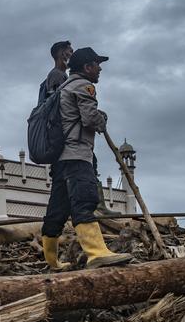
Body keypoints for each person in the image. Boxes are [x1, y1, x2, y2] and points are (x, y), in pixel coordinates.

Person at [41, 47, 131, 270]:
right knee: (84, 200)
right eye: (97, 64)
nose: (100, 69)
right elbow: (91, 119)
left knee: (58, 209)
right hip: (77, 155)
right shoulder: (83, 86)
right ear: (87, 67)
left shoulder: (63, 87)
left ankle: (52, 261)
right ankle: (96, 253)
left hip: (60, 159)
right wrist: (103, 117)